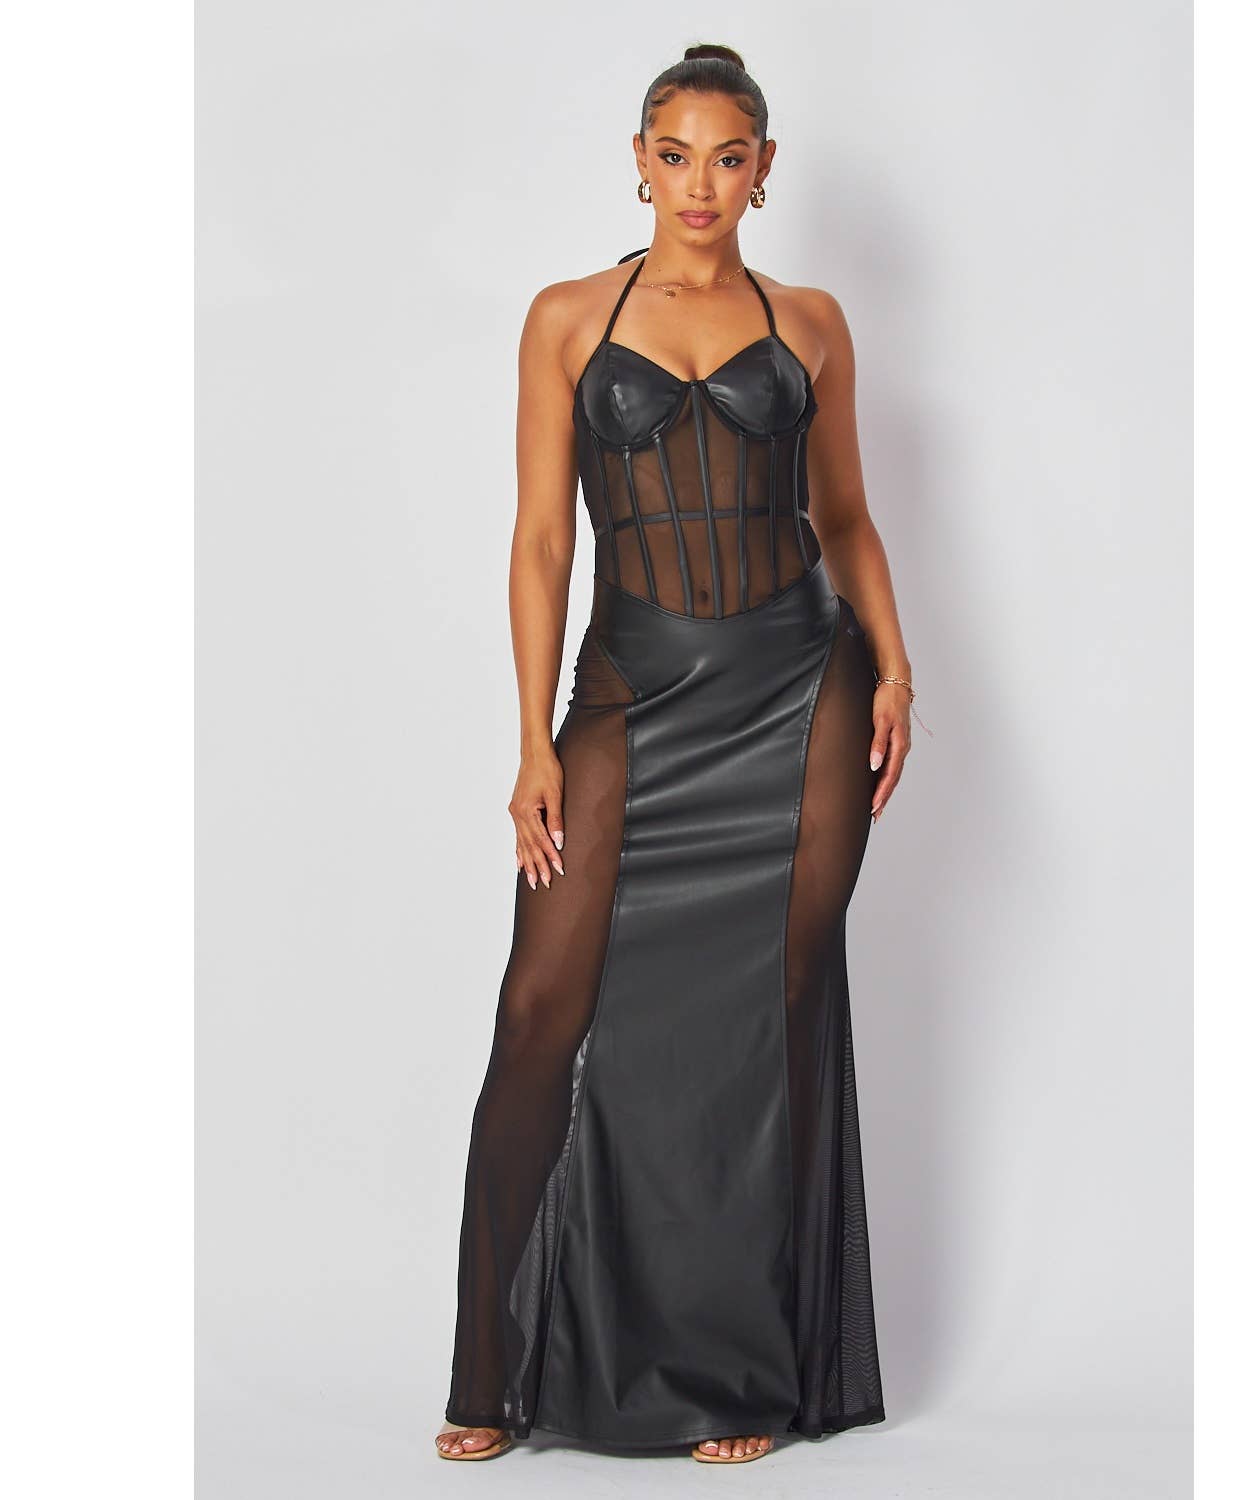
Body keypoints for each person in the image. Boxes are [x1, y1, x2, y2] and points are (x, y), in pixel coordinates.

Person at [436, 42, 919, 1466]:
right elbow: (541, 540)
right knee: (543, 1006)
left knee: (768, 1019)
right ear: (638, 163)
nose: (699, 182)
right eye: (675, 154)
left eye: (728, 157)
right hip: (631, 694)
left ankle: (741, 1374)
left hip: (800, 692)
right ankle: (491, 1370)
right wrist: (533, 736)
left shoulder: (812, 322)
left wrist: (895, 667)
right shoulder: (568, 318)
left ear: (763, 173)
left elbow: (845, 516)